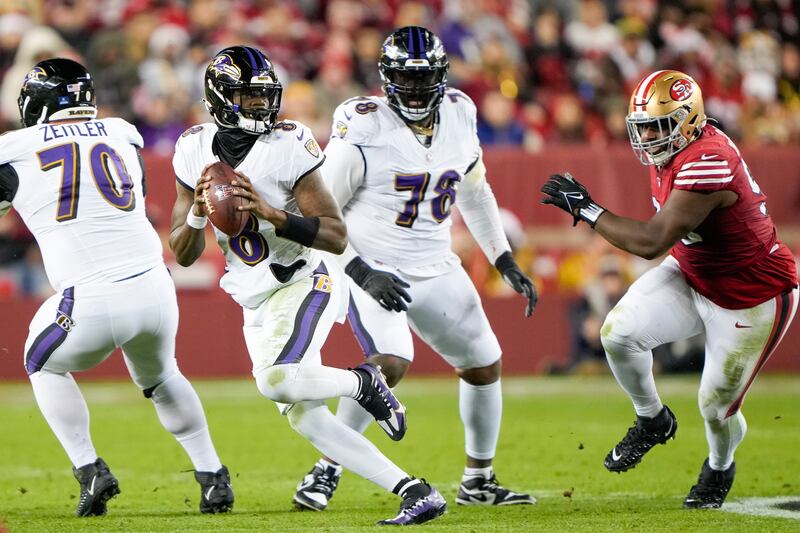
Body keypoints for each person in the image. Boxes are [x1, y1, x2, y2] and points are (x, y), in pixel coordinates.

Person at [169, 45, 446, 526]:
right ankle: (414, 490)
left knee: (276, 380)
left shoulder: (288, 143)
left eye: (263, 96)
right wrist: (197, 210)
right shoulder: (192, 146)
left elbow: (336, 236)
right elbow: (184, 251)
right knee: (303, 412)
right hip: (253, 291)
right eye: (247, 97)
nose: (260, 105)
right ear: (219, 97)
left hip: (305, 276)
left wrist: (273, 214)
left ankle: (363, 381)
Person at [293, 26, 538, 511]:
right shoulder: (363, 124)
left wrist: (502, 256)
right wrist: (361, 273)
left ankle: (479, 479)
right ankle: (325, 470)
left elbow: (474, 191)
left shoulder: (461, 112)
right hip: (373, 262)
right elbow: (320, 216)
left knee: (484, 363)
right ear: (387, 80)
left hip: (437, 263)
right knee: (389, 365)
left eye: (427, 79)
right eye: (408, 79)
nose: (419, 90)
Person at [540, 69, 798, 508]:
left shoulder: (708, 158)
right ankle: (652, 420)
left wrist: (587, 209)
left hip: (751, 295)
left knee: (715, 407)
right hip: (694, 271)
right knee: (617, 333)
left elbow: (650, 242)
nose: (651, 137)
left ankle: (719, 465)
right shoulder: (679, 150)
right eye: (643, 127)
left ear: (691, 120)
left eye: (660, 126)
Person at [0, 58, 234, 517]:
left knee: (40, 362)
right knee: (163, 376)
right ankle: (213, 477)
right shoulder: (123, 133)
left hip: (92, 298)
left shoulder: (13, 149)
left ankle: (89, 470)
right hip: (156, 291)